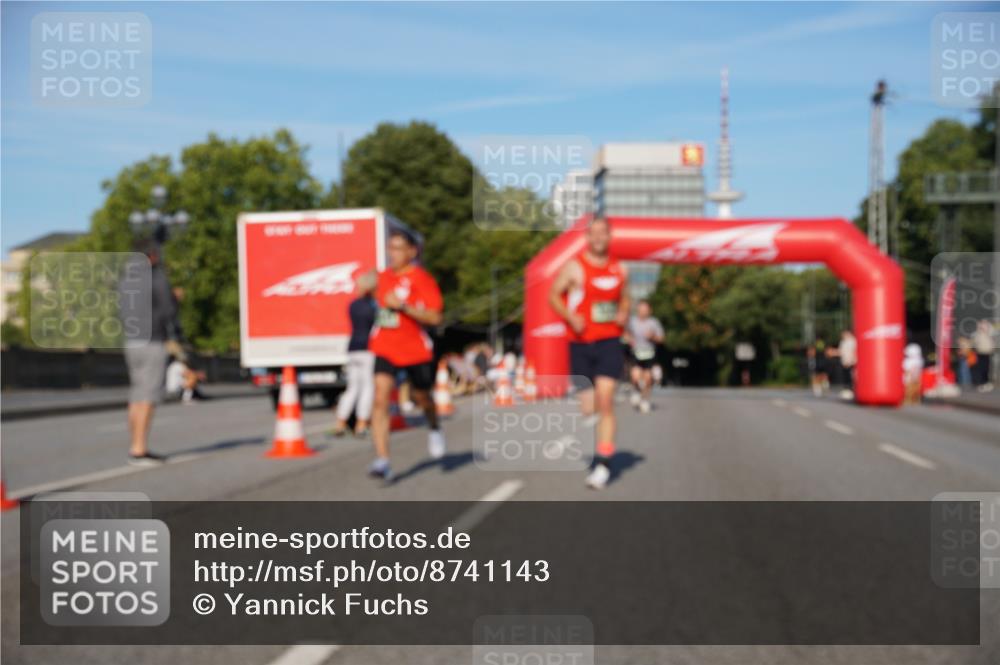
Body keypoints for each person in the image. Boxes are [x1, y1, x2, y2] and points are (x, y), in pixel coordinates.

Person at [548, 217, 629, 489]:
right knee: (588, 407)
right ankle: (596, 424)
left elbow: (626, 297)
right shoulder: (574, 267)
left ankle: (603, 465)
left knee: (606, 400)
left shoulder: (620, 268)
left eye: (602, 233)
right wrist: (570, 317)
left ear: (609, 236)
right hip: (580, 343)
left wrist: (623, 312)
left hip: (609, 341)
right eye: (592, 233)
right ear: (587, 237)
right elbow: (552, 295)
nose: (597, 238)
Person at [367, 230, 445, 481]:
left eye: (399, 248)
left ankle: (434, 426)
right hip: (384, 346)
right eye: (391, 247)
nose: (393, 253)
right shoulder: (382, 277)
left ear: (412, 252)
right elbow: (363, 286)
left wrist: (403, 307)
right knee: (380, 399)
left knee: (422, 396)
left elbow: (435, 317)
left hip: (414, 349)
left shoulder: (422, 279)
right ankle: (383, 460)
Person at [119, 239, 180, 466]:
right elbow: (168, 311)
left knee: (136, 395)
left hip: (131, 341)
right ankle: (139, 450)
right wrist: (176, 299)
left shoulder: (126, 279)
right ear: (152, 256)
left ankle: (134, 445)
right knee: (148, 396)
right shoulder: (156, 278)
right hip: (152, 341)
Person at [333, 271, 377, 437]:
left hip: (353, 348)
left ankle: (340, 423)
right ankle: (361, 424)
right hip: (368, 349)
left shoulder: (353, 305)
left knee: (352, 388)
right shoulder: (372, 306)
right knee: (367, 388)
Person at [625, 300, 664, 414]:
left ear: (649, 311)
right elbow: (624, 333)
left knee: (647, 379)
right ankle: (637, 391)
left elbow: (661, 338)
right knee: (636, 376)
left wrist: (653, 336)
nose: (643, 312)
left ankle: (645, 400)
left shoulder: (654, 322)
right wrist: (628, 338)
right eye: (641, 309)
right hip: (635, 353)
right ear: (637, 310)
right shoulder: (631, 322)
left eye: (645, 310)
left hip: (649, 354)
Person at [973, 319, 994, 392]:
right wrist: (979, 330)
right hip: (980, 351)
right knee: (980, 368)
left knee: (986, 368)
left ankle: (986, 382)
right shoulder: (978, 333)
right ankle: (982, 383)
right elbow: (975, 341)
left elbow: (992, 334)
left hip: (987, 352)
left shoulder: (989, 331)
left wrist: (986, 329)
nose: (982, 325)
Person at [837, 330, 857, 400]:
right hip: (844, 362)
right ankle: (847, 391)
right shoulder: (842, 342)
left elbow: (854, 351)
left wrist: (850, 361)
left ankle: (852, 391)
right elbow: (841, 352)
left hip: (851, 362)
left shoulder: (853, 341)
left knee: (851, 377)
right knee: (846, 377)